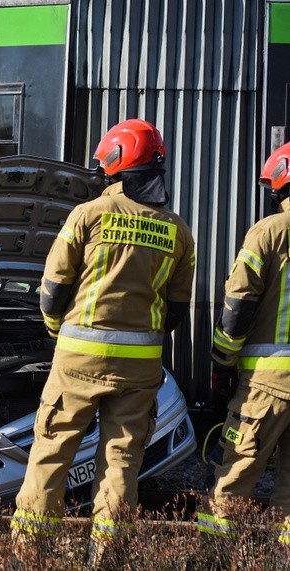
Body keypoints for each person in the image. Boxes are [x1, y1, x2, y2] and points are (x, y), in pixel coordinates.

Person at [9, 119, 196, 563]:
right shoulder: (177, 230)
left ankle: (27, 557)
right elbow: (176, 313)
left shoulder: (87, 215)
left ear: (115, 163)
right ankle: (107, 558)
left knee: (51, 454)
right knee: (121, 465)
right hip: (140, 370)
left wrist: (59, 333)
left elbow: (52, 292)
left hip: (77, 361)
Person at [197, 141, 290, 545]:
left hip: (266, 388)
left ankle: (212, 558)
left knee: (229, 479)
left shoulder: (270, 231)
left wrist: (222, 361)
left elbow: (237, 307)